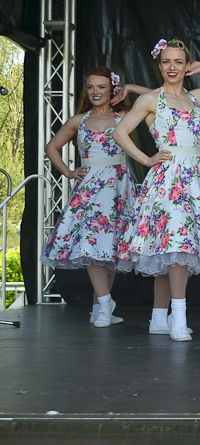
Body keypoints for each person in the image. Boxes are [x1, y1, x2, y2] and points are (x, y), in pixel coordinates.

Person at [113, 39, 200, 342]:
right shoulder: (149, 99)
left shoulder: (196, 97)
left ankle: (159, 318)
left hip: (194, 177)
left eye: (178, 62)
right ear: (159, 66)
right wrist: (146, 159)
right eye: (166, 62)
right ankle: (179, 315)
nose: (172, 68)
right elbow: (120, 132)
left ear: (186, 66)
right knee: (174, 245)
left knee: (172, 248)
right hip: (167, 179)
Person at [41, 66, 137, 327]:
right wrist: (70, 173)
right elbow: (51, 147)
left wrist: (129, 89)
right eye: (91, 87)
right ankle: (106, 303)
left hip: (119, 187)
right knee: (92, 244)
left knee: (113, 248)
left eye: (102, 87)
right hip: (92, 188)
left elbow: (157, 99)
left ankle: (99, 309)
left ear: (112, 90)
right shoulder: (78, 120)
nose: (95, 92)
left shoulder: (124, 116)